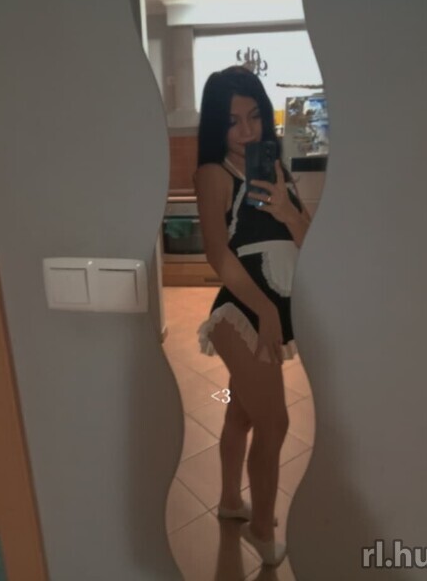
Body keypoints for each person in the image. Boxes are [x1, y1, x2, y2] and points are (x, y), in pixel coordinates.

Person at [194, 66, 311, 567]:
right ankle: (261, 529)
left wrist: (287, 210)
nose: (246, 132)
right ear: (216, 127)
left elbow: (310, 245)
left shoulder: (276, 170)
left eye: (254, 116)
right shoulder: (213, 173)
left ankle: (229, 501)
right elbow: (217, 255)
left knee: (240, 412)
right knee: (276, 421)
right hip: (240, 314)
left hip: (274, 309)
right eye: (232, 121)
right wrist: (264, 310)